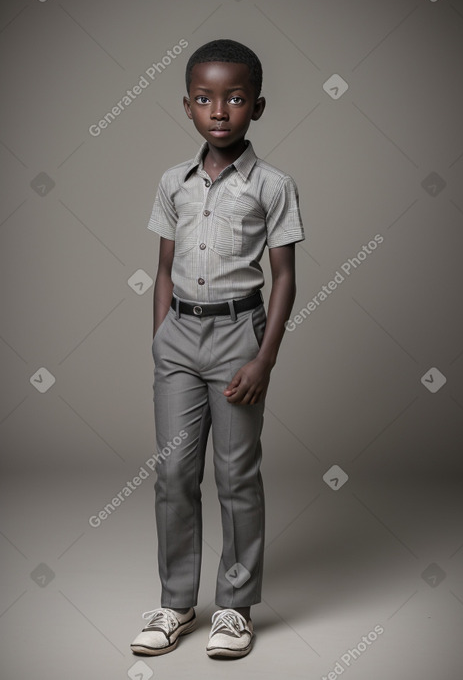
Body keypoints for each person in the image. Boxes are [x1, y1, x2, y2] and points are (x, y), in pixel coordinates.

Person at [131, 39, 305, 659]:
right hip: (179, 338)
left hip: (238, 338)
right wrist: (160, 339)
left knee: (235, 476)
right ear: (187, 106)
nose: (220, 111)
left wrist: (264, 357)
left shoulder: (273, 186)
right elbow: (162, 269)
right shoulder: (171, 183)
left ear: (256, 107)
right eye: (205, 99)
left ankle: (234, 607)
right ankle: (176, 602)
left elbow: (284, 278)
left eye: (234, 99)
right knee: (174, 473)